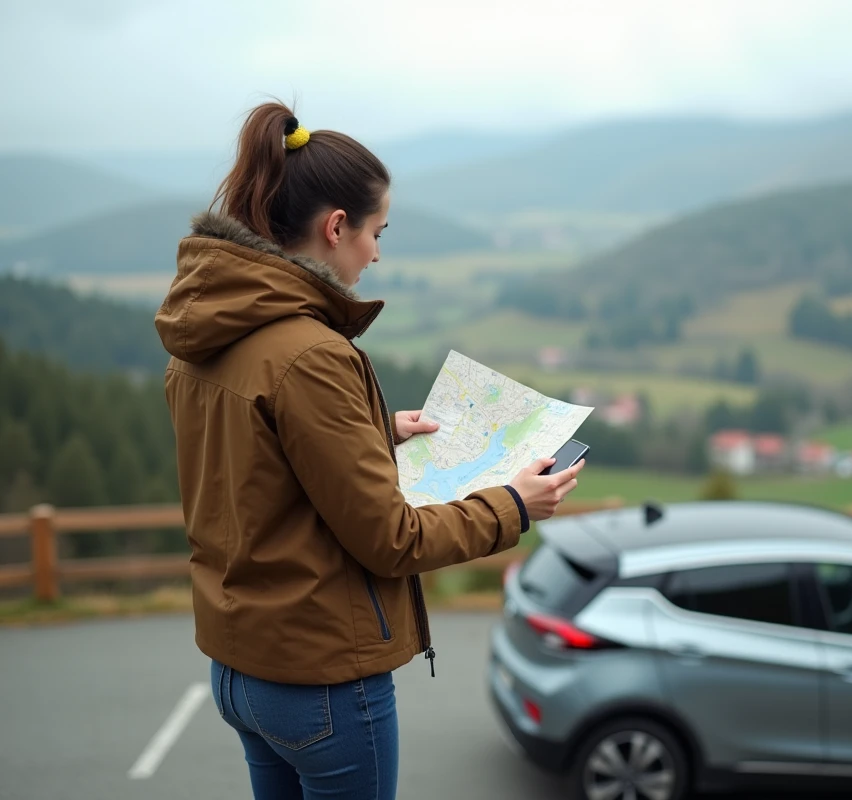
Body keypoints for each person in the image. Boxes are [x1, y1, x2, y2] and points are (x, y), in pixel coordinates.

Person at [153, 101, 585, 800]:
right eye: (376, 233)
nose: (377, 253)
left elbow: (252, 460)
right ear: (335, 228)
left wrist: (374, 431)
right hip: (320, 681)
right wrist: (513, 505)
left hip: (241, 668)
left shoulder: (206, 330)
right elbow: (392, 540)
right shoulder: (312, 355)